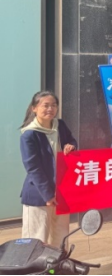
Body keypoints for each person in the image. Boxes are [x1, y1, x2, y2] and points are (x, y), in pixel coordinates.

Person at [19, 90, 77, 249]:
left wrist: (71, 146)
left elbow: (71, 140)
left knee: (61, 237)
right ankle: (35, 266)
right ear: (34, 108)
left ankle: (58, 264)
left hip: (62, 191)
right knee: (36, 240)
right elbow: (33, 167)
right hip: (39, 195)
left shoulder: (60, 125)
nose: (50, 109)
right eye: (45, 105)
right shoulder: (29, 135)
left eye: (54, 105)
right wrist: (48, 194)